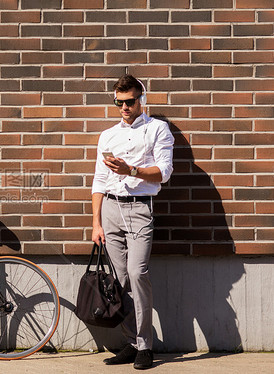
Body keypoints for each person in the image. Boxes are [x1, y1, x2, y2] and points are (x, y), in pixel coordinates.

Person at [91, 74, 174, 370]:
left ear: (142, 99)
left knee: (138, 274)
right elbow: (99, 180)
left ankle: (145, 346)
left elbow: (164, 172)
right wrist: (96, 223)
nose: (124, 107)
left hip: (140, 208)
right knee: (120, 279)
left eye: (130, 101)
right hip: (111, 210)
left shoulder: (157, 129)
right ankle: (131, 343)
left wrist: (132, 171)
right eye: (119, 102)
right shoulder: (108, 135)